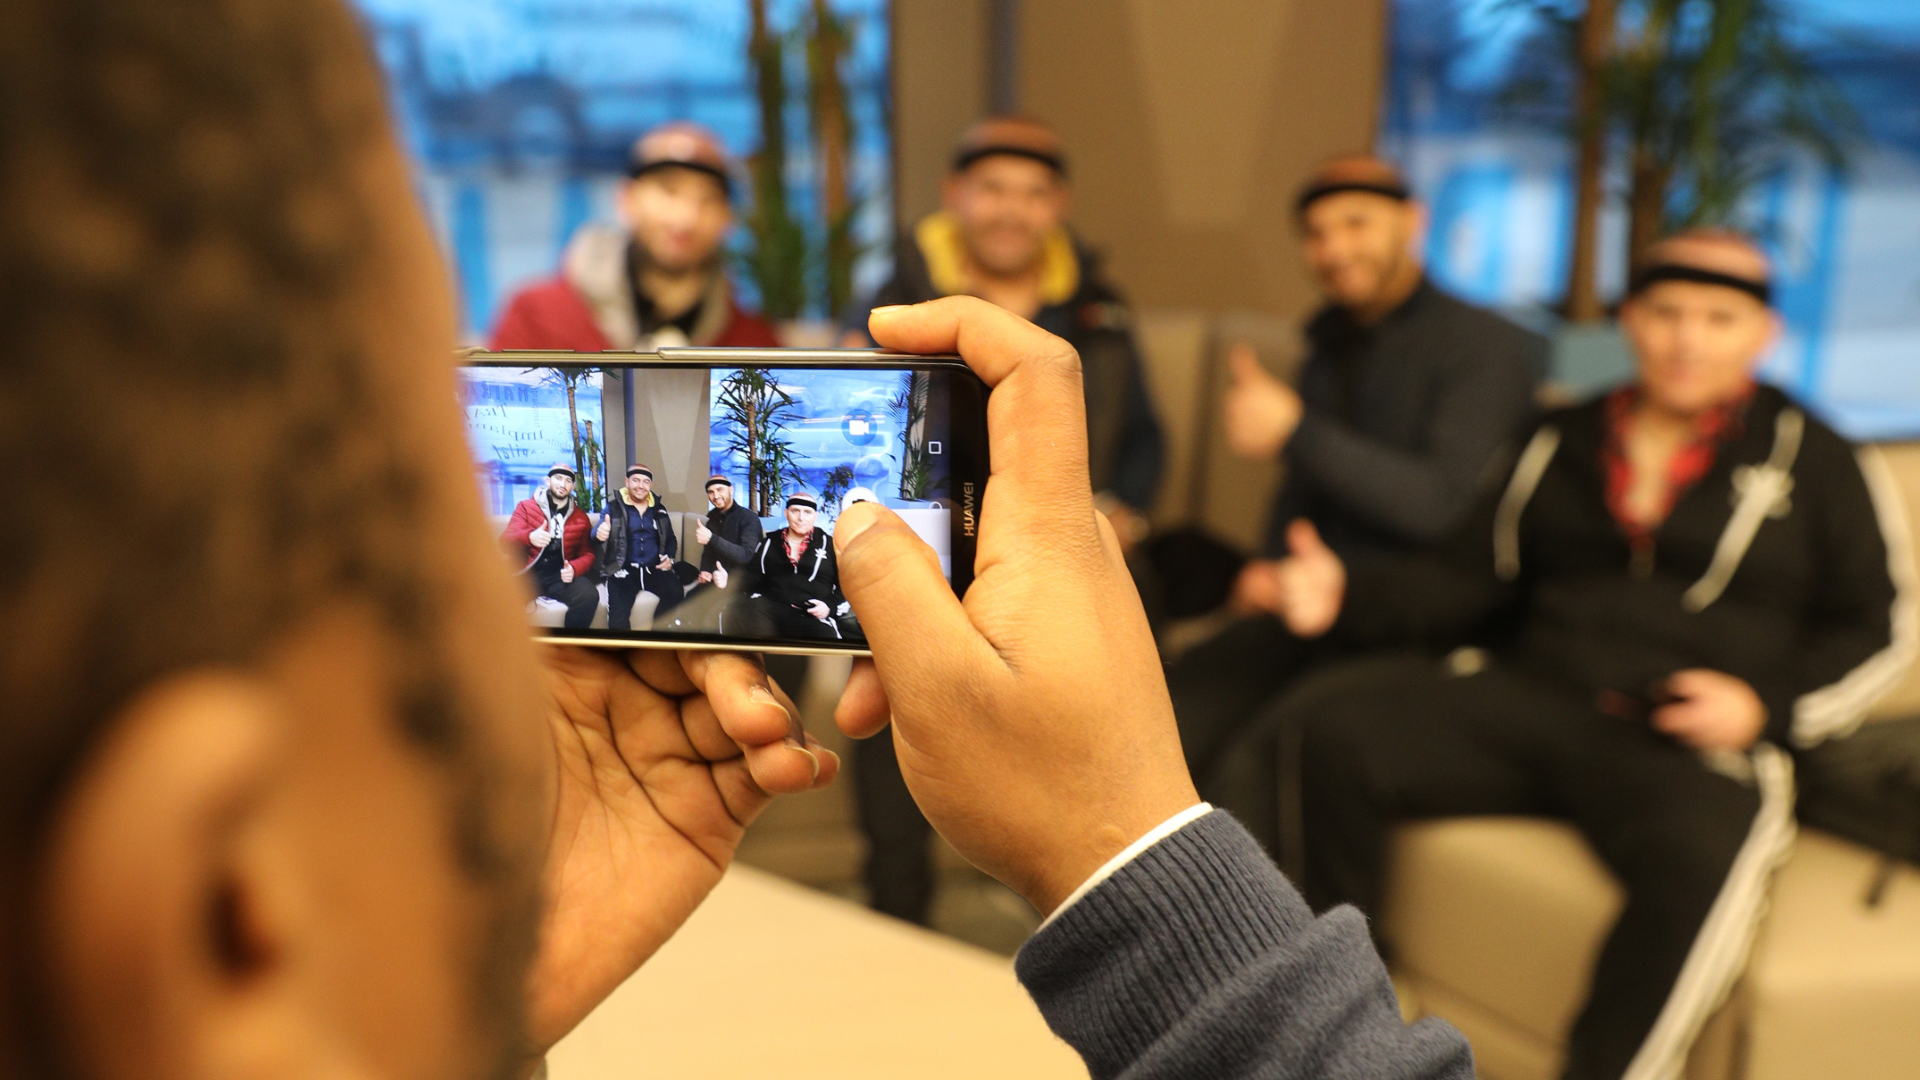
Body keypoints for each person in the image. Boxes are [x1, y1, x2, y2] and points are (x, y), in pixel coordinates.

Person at [5, 2, 1474, 1076]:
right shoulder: (560, 353)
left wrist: (455, 1013)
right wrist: (1129, 849)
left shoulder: (810, 354)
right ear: (213, 901)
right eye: (437, 525)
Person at [1268, 232, 1915, 1080]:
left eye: (1720, 319)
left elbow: (1881, 626)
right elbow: (1471, 577)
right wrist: (1345, 594)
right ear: (1631, 321)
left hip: (1684, 736)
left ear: (1764, 335)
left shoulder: (1822, 458)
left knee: (1697, 862)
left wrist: (1766, 706)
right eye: (1668, 313)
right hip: (1535, 697)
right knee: (1334, 730)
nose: (1689, 340)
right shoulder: (1559, 434)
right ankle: (1348, 1025)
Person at [1159, 155, 1545, 846]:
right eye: (1316, 233)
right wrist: (1268, 568)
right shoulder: (1329, 340)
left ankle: (1260, 947)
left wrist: (1295, 430)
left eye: (1356, 223)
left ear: (1414, 223)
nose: (1334, 249)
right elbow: (1307, 488)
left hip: (1414, 622)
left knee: (1264, 761)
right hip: (1307, 607)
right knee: (1169, 714)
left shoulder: (1486, 349)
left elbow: (1439, 503)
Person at [845, 114, 1169, 923]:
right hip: (932, 547)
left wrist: (1124, 510)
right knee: (895, 672)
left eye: (1032, 193)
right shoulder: (899, 303)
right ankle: (898, 906)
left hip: (1070, 545)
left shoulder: (1105, 314)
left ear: (1057, 205)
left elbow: (1145, 440)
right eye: (992, 189)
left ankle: (1082, 896)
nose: (1010, 211)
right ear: (957, 195)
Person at [489, 121, 780, 351]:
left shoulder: (754, 343)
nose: (685, 217)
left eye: (707, 199)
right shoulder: (537, 317)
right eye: (669, 190)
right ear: (626, 199)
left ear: (727, 219)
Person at [729, 493, 853, 641]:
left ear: (815, 516)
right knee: (740, 610)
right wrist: (728, 581)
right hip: (770, 611)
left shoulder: (831, 545)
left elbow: (847, 586)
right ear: (786, 513)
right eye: (795, 511)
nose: (801, 518)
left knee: (823, 637)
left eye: (807, 512)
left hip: (810, 615)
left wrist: (829, 607)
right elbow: (752, 577)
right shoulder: (769, 542)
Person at [502, 464, 600, 629]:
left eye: (568, 481)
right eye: (558, 478)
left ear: (573, 486)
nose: (563, 484)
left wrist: (574, 569)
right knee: (500, 597)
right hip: (528, 572)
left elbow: (588, 554)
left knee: (589, 596)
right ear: (548, 481)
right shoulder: (526, 507)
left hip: (559, 576)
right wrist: (529, 537)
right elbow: (505, 541)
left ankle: (570, 645)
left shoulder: (581, 517)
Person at [663, 474, 764, 632]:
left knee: (710, 614)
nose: (715, 496)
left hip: (742, 581)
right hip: (716, 580)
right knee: (688, 601)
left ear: (731, 489)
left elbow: (746, 556)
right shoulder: (713, 518)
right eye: (710, 492)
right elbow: (709, 551)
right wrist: (705, 570)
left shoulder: (748, 518)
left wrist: (711, 537)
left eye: (719, 489)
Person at [595, 464, 684, 629]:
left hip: (654, 569)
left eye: (645, 481)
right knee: (618, 616)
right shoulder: (613, 508)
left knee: (676, 591)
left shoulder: (659, 509)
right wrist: (600, 533)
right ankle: (623, 651)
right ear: (627, 482)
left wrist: (670, 559)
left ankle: (656, 639)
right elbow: (596, 534)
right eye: (636, 480)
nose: (641, 486)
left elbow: (671, 539)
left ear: (650, 485)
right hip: (623, 570)